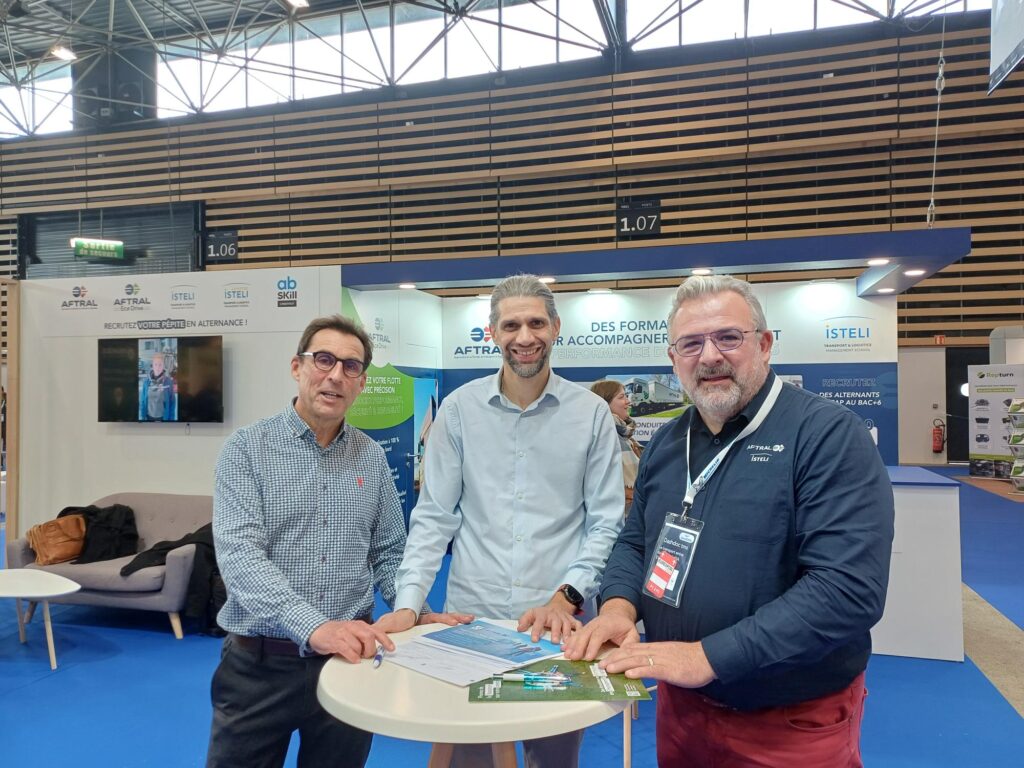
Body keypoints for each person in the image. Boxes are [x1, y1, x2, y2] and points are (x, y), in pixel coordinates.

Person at [565, 275, 894, 767]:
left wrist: (707, 657)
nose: (710, 355)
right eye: (691, 343)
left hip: (787, 720)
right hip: (682, 706)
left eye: (728, 337)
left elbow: (846, 590)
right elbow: (636, 542)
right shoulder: (669, 442)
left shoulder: (826, 436)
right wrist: (616, 609)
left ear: (763, 344)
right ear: (674, 359)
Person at [376, 274, 625, 768]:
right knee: (472, 758)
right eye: (511, 325)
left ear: (556, 328)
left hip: (560, 626)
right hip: (474, 620)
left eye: (536, 323)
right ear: (492, 333)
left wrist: (568, 595)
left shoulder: (592, 414)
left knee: (554, 758)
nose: (524, 336)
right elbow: (433, 519)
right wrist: (409, 604)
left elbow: (605, 523)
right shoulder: (459, 410)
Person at [206, 315, 410, 768]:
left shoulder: (372, 458)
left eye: (351, 367)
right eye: (323, 360)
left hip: (349, 665)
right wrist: (315, 628)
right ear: (297, 367)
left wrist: (409, 607)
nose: (335, 375)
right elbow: (241, 557)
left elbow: (390, 550)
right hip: (259, 667)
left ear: (361, 384)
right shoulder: (246, 450)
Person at [589, 380, 643, 516]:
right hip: (618, 519)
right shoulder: (605, 435)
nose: (628, 402)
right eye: (621, 397)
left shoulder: (625, 437)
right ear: (603, 403)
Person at [139, 351, 176, 421]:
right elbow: (142, 402)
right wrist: (142, 417)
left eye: (160, 365)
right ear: (152, 365)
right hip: (148, 418)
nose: (158, 367)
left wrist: (171, 421)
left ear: (163, 366)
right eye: (156, 364)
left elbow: (172, 403)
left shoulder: (168, 382)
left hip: (163, 418)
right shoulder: (146, 382)